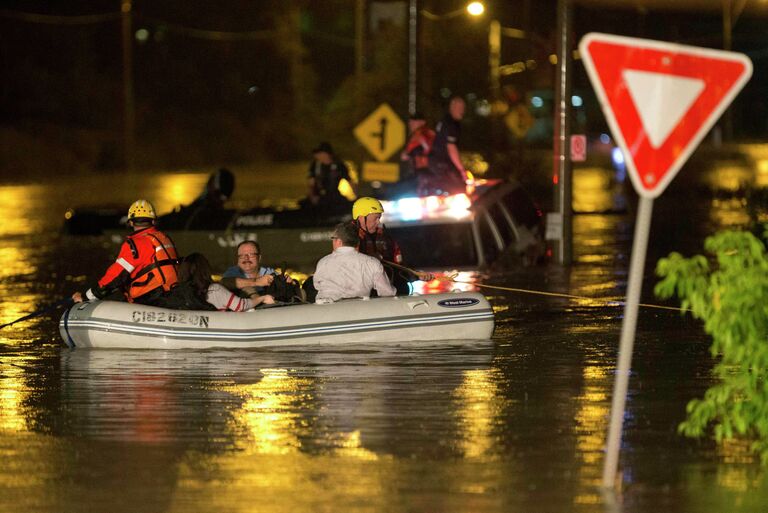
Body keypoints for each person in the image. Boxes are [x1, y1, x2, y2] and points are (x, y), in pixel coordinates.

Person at [72, 199, 179, 306]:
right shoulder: (164, 238)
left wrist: (86, 296)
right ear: (153, 221)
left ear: (131, 222)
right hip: (172, 293)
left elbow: (115, 276)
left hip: (151, 299)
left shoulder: (135, 244)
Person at [351, 197, 432, 295]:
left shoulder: (386, 239)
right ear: (360, 217)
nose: (378, 222)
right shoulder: (349, 239)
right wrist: (370, 259)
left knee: (402, 287)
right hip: (362, 291)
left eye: (379, 218)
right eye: (375, 218)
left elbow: (399, 267)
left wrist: (416, 275)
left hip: (386, 288)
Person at [314, 222, 396, 303]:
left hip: (326, 312)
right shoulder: (372, 263)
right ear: (358, 242)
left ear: (339, 241)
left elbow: (317, 285)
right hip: (361, 312)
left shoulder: (323, 263)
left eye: (333, 239)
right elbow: (387, 293)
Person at [179, 253, 269, 311]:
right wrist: (262, 298)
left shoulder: (182, 292)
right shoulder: (214, 290)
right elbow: (240, 305)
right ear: (205, 269)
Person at [428, 95, 470, 195]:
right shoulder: (451, 123)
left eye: (463, 108)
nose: (462, 111)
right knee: (458, 189)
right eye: (459, 108)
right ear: (452, 108)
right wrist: (461, 169)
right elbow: (451, 147)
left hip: (436, 162)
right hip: (442, 164)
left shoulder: (445, 120)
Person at [302, 141, 353, 210]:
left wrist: (354, 196)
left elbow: (350, 181)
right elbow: (311, 184)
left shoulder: (340, 165)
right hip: (318, 196)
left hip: (334, 195)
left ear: (328, 154)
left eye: (321, 153)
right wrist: (313, 196)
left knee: (344, 204)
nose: (318, 156)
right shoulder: (315, 166)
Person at [400, 112, 435, 196]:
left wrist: (406, 154)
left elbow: (405, 156)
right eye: (410, 122)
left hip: (422, 173)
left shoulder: (418, 134)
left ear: (422, 122)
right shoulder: (432, 133)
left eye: (413, 122)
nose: (411, 124)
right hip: (433, 172)